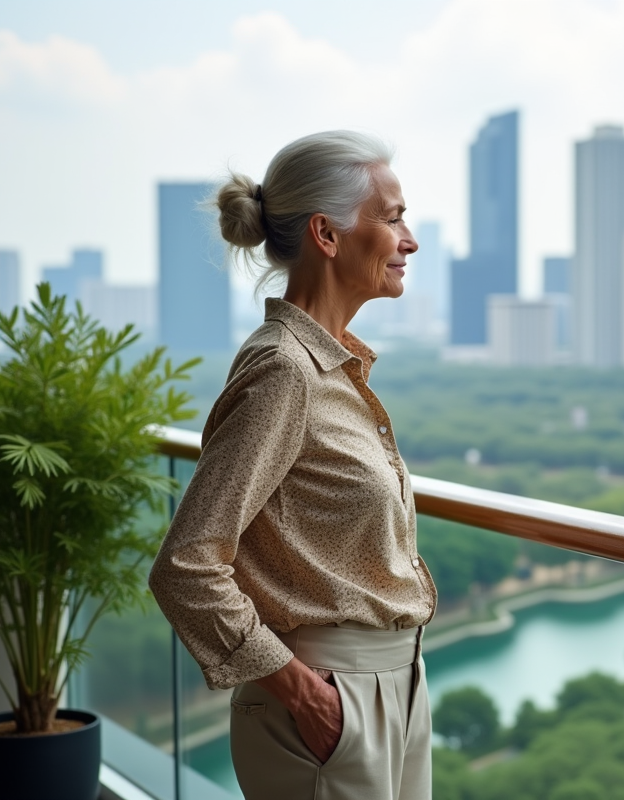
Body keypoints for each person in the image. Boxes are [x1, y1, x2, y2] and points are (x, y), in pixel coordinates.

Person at [149, 130, 436, 800]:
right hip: (328, 700)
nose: (410, 239)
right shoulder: (285, 371)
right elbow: (186, 565)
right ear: (326, 235)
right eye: (392, 218)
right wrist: (298, 690)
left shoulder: (332, 367)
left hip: (397, 688)